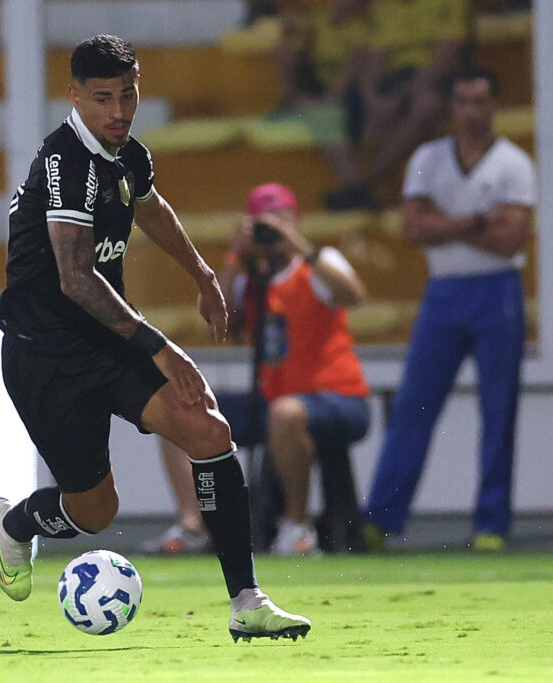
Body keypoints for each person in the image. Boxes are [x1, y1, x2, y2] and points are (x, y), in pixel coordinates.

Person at [0, 35, 311, 643]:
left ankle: (246, 600)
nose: (119, 111)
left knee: (209, 431)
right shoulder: (64, 163)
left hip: (106, 343)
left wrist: (204, 274)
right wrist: (160, 344)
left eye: (129, 95)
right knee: (93, 511)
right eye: (104, 98)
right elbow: (76, 278)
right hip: (43, 355)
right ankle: (17, 523)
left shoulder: (126, 154)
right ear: (75, 96)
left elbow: (150, 206)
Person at [146, 183, 370, 557]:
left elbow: (353, 296)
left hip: (338, 397)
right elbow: (220, 325)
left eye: (280, 220)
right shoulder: (254, 278)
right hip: (272, 399)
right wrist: (235, 256)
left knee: (285, 414)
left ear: (295, 220)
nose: (273, 230)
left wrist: (295, 245)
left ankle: (294, 528)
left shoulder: (319, 261)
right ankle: (192, 524)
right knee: (176, 408)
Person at [362, 68, 536, 552]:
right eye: (463, 101)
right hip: (443, 290)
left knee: (499, 410)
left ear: (494, 106)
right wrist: (480, 219)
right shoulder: (428, 157)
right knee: (414, 404)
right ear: (451, 107)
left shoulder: (514, 164)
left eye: (481, 102)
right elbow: (413, 229)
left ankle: (490, 525)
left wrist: (446, 223)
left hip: (496, 290)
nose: (471, 112)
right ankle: (381, 517)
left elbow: (511, 240)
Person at [322, 0, 469, 210]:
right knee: (331, 113)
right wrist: (371, 96)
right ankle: (361, 185)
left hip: (431, 78)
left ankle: (365, 184)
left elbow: (446, 53)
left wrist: (403, 94)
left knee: (427, 105)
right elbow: (375, 53)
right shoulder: (383, 5)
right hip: (393, 78)